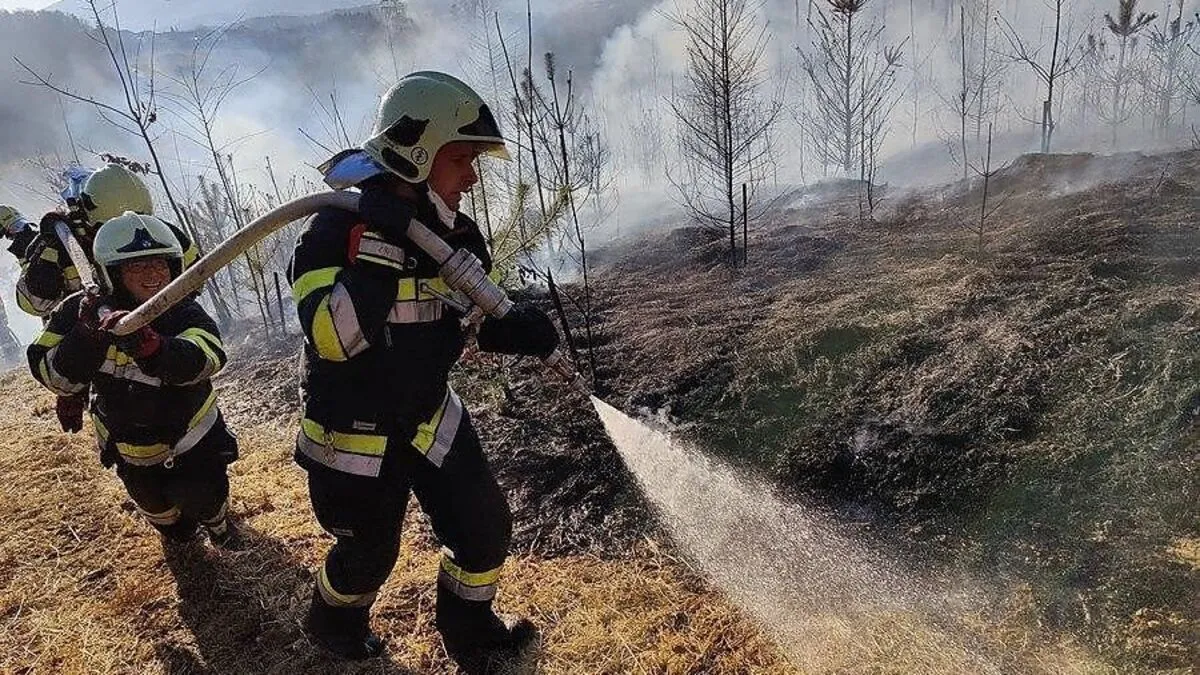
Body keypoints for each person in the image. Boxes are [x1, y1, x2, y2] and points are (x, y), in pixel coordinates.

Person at [289, 71, 560, 671]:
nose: (472, 177)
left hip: (427, 415)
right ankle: (334, 622)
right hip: (353, 433)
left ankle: (471, 631)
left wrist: (512, 329)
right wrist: (381, 247)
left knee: (484, 526)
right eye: (461, 160)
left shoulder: (455, 234)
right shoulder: (331, 230)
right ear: (417, 155)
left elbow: (459, 318)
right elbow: (336, 339)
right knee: (368, 552)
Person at [27, 212, 239, 548]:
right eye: (137, 266)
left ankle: (220, 527)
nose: (153, 274)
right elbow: (49, 372)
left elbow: (208, 358)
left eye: (160, 264)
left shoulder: (183, 311)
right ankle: (180, 535)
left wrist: (155, 349)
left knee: (206, 501)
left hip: (192, 439)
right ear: (112, 273)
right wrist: (85, 338)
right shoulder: (78, 312)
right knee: (167, 523)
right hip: (129, 449)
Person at [16, 164, 199, 434]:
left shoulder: (160, 234)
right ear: (88, 218)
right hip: (86, 339)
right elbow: (32, 304)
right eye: (111, 229)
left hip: (153, 339)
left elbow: (195, 280)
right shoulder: (63, 244)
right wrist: (47, 257)